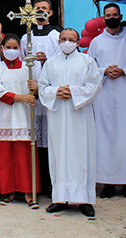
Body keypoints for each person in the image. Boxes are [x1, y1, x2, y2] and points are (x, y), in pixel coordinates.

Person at [38, 29, 101, 218]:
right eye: (63, 39)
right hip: (58, 115)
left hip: (79, 114)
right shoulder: (50, 63)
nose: (67, 42)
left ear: (78, 42)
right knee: (59, 153)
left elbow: (94, 86)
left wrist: (72, 92)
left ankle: (84, 199)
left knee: (81, 153)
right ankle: (59, 198)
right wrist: (56, 92)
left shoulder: (87, 61)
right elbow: (43, 86)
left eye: (71, 39)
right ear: (58, 41)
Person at [88, 3, 126, 200]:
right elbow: (90, 67)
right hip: (104, 94)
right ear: (103, 18)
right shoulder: (96, 42)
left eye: (115, 14)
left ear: (121, 16)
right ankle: (107, 183)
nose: (111, 17)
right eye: (108, 15)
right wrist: (104, 71)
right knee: (105, 137)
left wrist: (124, 71)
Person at [0, 34, 41, 208]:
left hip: (24, 116)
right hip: (4, 115)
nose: (11, 51)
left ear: (21, 49)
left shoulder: (28, 67)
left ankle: (28, 191)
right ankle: (8, 190)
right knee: (6, 157)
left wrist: (35, 90)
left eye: (15, 48)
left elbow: (36, 92)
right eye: (8, 47)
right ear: (2, 48)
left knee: (25, 156)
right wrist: (21, 97)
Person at [19, 0, 59, 195]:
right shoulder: (25, 36)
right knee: (34, 139)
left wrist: (47, 60)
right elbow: (19, 64)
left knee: (52, 138)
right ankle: (37, 181)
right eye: (37, 8)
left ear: (50, 12)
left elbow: (63, 64)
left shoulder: (58, 35)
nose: (41, 11)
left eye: (45, 8)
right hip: (31, 94)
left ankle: (53, 180)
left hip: (51, 95)